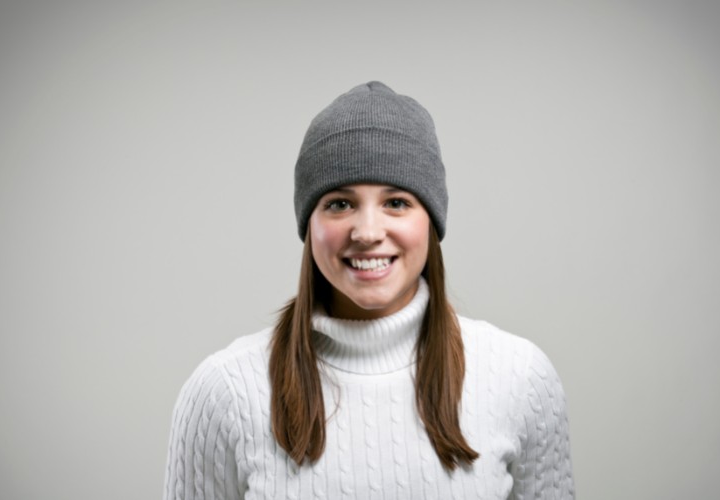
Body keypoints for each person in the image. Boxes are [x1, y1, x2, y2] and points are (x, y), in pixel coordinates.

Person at [163, 81, 574, 499]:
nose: (367, 233)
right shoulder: (223, 391)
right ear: (309, 224)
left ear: (430, 222)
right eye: (340, 204)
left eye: (396, 202)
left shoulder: (520, 378)